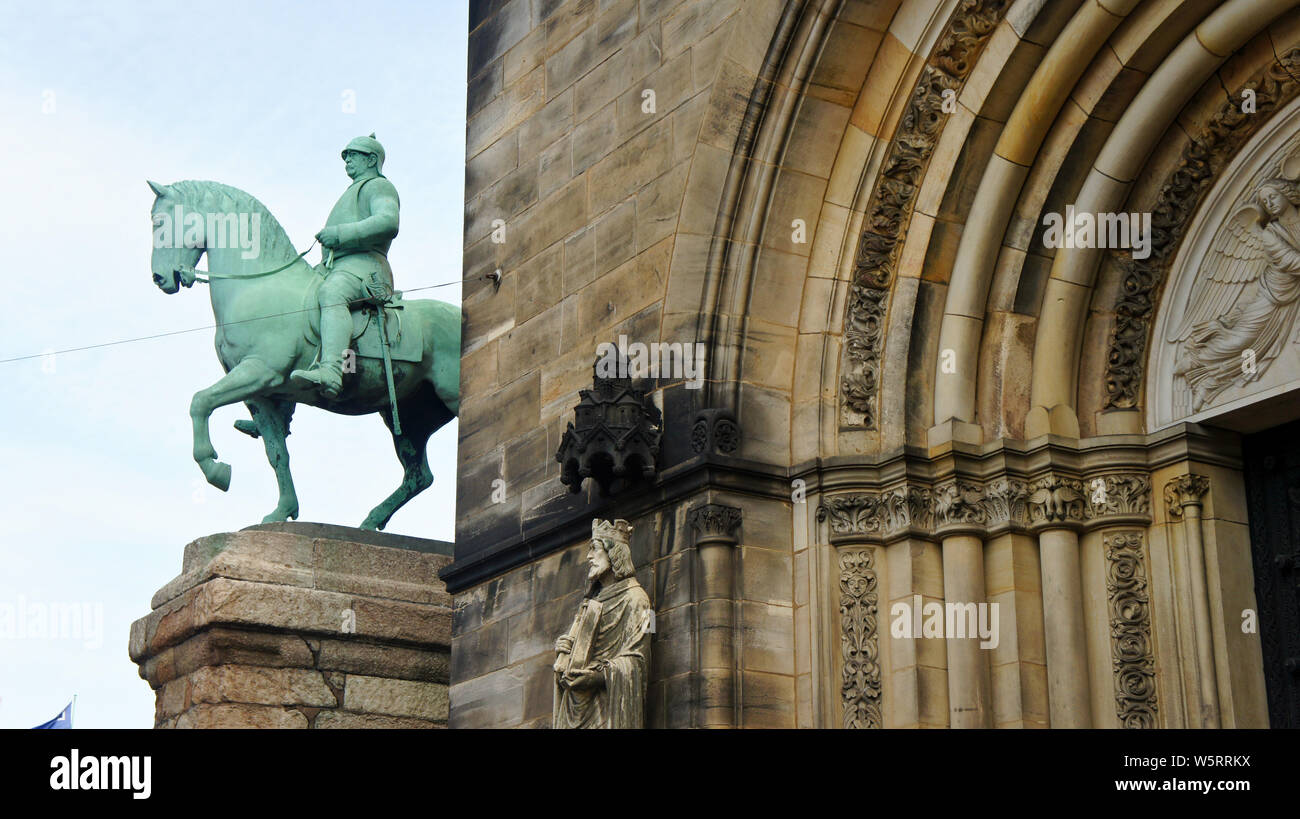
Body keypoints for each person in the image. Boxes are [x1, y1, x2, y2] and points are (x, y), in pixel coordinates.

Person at [290, 134, 400, 398]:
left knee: (332, 294)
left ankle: (331, 371)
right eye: (346, 156)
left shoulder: (378, 186)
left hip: (365, 269)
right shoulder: (352, 192)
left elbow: (388, 221)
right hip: (337, 268)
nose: (347, 160)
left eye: (353, 155)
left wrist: (339, 235)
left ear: (371, 159)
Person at [553, 519, 652, 729]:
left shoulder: (640, 600)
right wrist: (566, 650)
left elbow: (640, 660)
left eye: (595, 549)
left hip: (608, 710)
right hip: (576, 706)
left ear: (614, 552)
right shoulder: (590, 603)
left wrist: (597, 676)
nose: (588, 557)